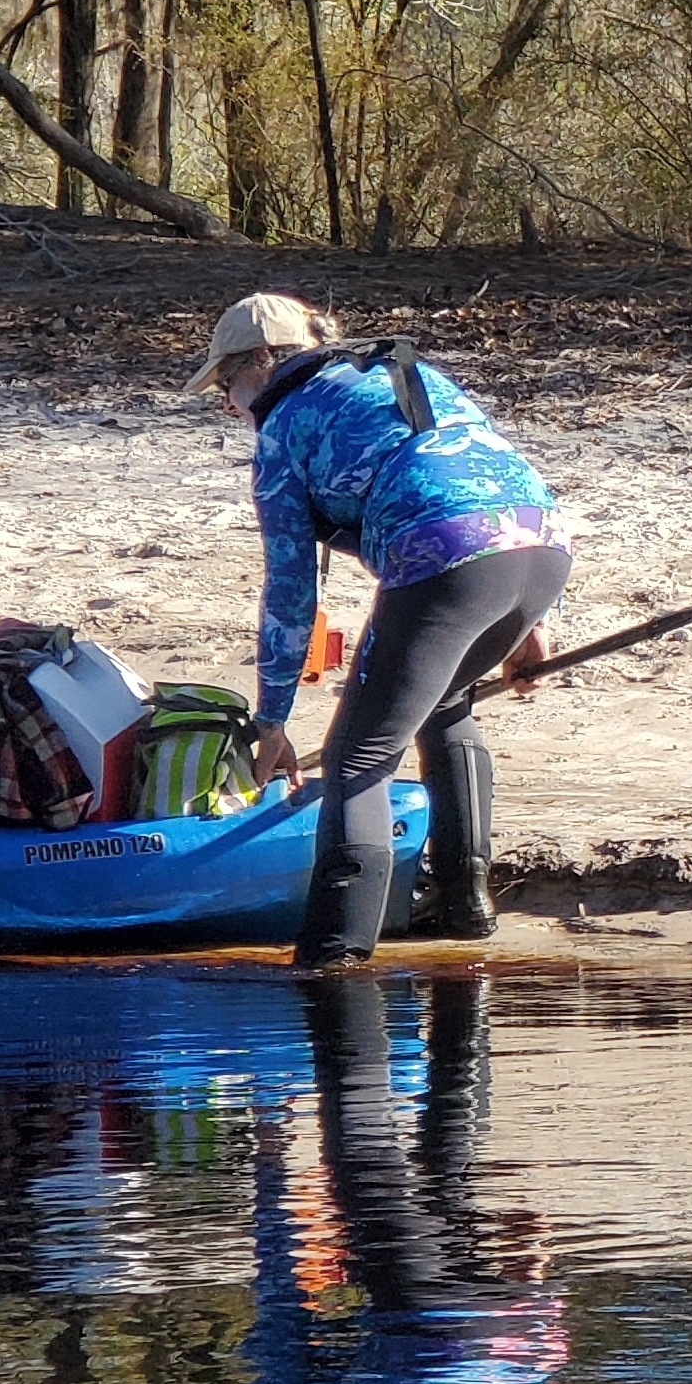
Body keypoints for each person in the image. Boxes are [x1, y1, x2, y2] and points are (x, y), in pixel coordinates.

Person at [191, 292, 571, 966]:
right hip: (542, 546)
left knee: (359, 759)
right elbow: (489, 477)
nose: (227, 402)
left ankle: (334, 958)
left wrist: (272, 721)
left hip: (446, 554)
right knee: (443, 703)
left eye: (227, 381)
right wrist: (530, 623)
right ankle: (465, 906)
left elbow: (290, 589)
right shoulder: (413, 374)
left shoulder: (284, 427)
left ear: (261, 362)